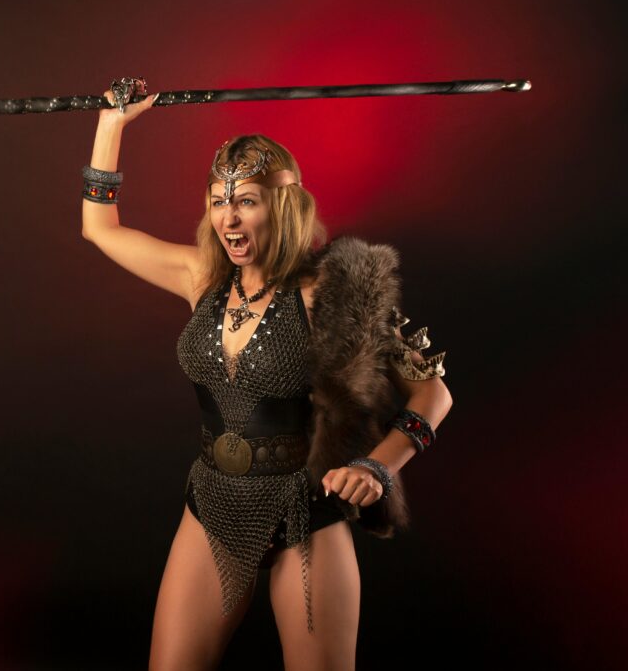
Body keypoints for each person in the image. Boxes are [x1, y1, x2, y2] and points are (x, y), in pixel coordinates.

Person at [81, 82, 453, 671]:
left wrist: (379, 467)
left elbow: (433, 391)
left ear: (282, 206)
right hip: (213, 502)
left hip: (305, 508)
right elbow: (100, 229)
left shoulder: (329, 292)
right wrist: (112, 125)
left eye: (247, 200)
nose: (228, 217)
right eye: (217, 200)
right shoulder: (202, 278)